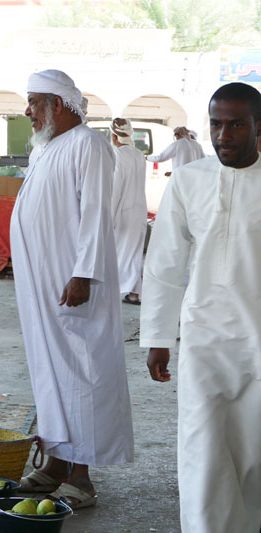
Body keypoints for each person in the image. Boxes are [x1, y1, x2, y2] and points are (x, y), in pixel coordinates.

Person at [10, 70, 134, 509]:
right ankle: (58, 463)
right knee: (52, 371)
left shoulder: (88, 145)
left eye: (33, 102)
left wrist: (84, 274)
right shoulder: (49, 147)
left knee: (81, 374)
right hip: (44, 287)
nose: (27, 110)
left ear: (57, 105)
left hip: (74, 285)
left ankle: (81, 477)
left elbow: (97, 214)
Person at [141, 82, 261, 533]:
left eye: (236, 124)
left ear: (257, 127)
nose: (223, 135)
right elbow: (164, 264)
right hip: (203, 340)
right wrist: (157, 336)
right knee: (203, 453)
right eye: (216, 123)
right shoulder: (190, 181)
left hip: (258, 343)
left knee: (253, 459)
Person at [109, 118, 147, 305]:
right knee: (134, 253)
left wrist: (109, 216)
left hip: (122, 212)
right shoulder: (139, 154)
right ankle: (134, 294)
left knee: (118, 253)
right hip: (139, 210)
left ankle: (115, 289)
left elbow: (115, 188)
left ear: (114, 135)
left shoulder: (117, 155)